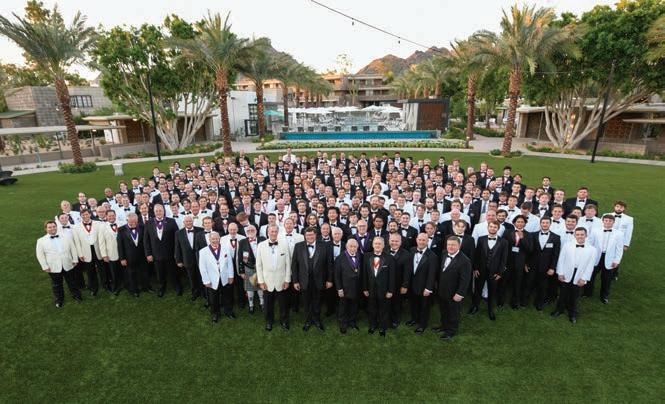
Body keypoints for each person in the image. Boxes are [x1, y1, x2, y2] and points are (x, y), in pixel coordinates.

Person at [551, 227, 597, 324]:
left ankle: (572, 313)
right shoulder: (567, 245)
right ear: (574, 235)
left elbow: (590, 266)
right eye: (578, 234)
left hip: (580, 273)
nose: (580, 236)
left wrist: (584, 278)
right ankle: (559, 309)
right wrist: (560, 273)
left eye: (582, 234)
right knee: (563, 293)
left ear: (586, 235)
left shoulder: (592, 250)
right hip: (566, 272)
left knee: (575, 295)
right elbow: (561, 259)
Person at [292, 227, 332, 331]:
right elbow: (294, 265)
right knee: (306, 302)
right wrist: (295, 281)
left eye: (311, 235)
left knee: (317, 301)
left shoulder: (324, 246)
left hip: (319, 280)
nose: (310, 237)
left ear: (315, 235)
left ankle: (317, 320)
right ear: (305, 236)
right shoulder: (298, 246)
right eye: (307, 235)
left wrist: (329, 280)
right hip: (304, 280)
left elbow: (329, 264)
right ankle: (308, 321)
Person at [432, 236, 472, 341]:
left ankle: (451, 331)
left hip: (454, 293)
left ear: (459, 246)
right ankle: (443, 326)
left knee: (453, 312)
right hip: (442, 290)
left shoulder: (465, 261)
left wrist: (460, 294)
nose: (450, 247)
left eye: (453, 245)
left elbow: (465, 280)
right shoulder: (444, 253)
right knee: (443, 310)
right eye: (449, 244)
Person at [35, 220, 81, 307]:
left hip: (68, 263)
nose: (52, 228)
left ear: (56, 227)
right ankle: (59, 300)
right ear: (46, 229)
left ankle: (76, 295)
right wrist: (45, 266)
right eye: (50, 227)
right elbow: (40, 255)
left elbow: (73, 248)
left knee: (72, 282)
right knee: (56, 285)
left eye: (54, 226)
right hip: (53, 267)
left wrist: (75, 259)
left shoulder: (66, 237)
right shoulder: (41, 241)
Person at [256, 224, 292, 331]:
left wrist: (287, 280)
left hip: (281, 281)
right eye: (271, 231)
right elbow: (258, 265)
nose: (274, 233)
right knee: (268, 304)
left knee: (283, 304)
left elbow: (288, 264)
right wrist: (261, 281)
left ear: (278, 232)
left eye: (275, 231)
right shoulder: (261, 245)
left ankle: (284, 321)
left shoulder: (284, 244)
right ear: (268, 233)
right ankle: (269, 321)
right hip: (267, 281)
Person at [470, 220, 508, 320]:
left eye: (495, 227)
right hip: (480, 270)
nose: (492, 228)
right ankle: (475, 306)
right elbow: (477, 255)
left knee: (492, 291)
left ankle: (490, 310)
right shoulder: (481, 239)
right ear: (488, 227)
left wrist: (499, 273)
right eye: (491, 226)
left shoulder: (503, 242)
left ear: (498, 229)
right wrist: (475, 268)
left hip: (494, 272)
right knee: (478, 290)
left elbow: (504, 259)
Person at [402, 233, 436, 334]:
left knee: (424, 306)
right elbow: (408, 268)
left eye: (424, 240)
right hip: (412, 285)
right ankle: (414, 319)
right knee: (414, 304)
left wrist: (428, 288)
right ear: (416, 240)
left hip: (424, 286)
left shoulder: (432, 256)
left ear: (427, 241)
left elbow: (432, 274)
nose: (421, 242)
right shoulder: (412, 250)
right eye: (420, 239)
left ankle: (422, 325)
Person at [144, 204, 181, 297]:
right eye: (156, 211)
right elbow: (146, 240)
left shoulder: (171, 221)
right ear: (154, 212)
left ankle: (176, 286)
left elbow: (176, 238)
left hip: (170, 253)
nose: (158, 212)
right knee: (159, 273)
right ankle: (161, 287)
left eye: (160, 210)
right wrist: (148, 254)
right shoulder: (149, 223)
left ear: (164, 211)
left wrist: (176, 253)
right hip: (156, 254)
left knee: (173, 272)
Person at [198, 232, 235, 323]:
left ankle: (228, 311)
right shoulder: (203, 252)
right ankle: (215, 314)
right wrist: (206, 280)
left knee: (227, 296)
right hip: (212, 279)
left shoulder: (225, 248)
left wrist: (231, 276)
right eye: (213, 239)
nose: (215, 240)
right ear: (209, 240)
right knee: (213, 298)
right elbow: (202, 268)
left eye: (217, 238)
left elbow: (230, 263)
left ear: (219, 239)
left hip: (225, 277)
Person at [526, 216, 561, 310]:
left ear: (550, 224)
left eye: (547, 223)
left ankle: (539, 302)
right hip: (532, 265)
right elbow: (528, 251)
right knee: (529, 283)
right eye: (543, 223)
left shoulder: (556, 237)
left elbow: (556, 254)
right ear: (540, 224)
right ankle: (524, 300)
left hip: (546, 266)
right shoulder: (532, 235)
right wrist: (526, 263)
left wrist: (552, 268)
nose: (545, 224)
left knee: (543, 285)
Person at [362, 237, 395, 337]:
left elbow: (392, 276)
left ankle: (382, 327)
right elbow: (364, 274)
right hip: (370, 288)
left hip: (384, 290)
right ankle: (372, 325)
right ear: (373, 245)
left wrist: (390, 290)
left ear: (383, 245)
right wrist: (365, 288)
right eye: (376, 243)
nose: (377, 245)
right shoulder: (366, 256)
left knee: (383, 309)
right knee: (371, 308)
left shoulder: (389, 258)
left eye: (379, 244)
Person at [588, 215, 624, 304]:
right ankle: (587, 292)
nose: (608, 222)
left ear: (613, 222)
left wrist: (616, 260)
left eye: (610, 221)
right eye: (606, 220)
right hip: (596, 257)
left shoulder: (619, 234)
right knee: (590, 275)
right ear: (603, 221)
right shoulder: (595, 231)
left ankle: (604, 296)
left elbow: (619, 249)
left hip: (609, 258)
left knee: (606, 279)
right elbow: (590, 244)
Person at [71, 209, 104, 296]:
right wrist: (80, 254)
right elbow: (77, 242)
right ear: (81, 216)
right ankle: (93, 287)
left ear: (90, 214)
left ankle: (105, 285)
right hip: (86, 252)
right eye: (83, 215)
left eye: (86, 214)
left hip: (98, 250)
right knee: (90, 271)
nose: (85, 216)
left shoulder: (98, 223)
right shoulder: (76, 227)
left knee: (102, 269)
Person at [117, 213, 150, 297]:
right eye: (131, 222)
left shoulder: (142, 227)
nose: (134, 223)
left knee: (144, 272)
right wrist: (122, 258)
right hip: (129, 257)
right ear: (127, 220)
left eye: (135, 222)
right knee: (131, 274)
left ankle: (146, 287)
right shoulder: (121, 229)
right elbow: (120, 245)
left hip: (142, 255)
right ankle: (134, 290)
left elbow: (146, 241)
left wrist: (148, 254)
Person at [334, 239, 362, 334]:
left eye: (355, 246)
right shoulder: (340, 258)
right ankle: (343, 323)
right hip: (344, 287)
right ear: (346, 247)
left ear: (357, 247)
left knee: (354, 306)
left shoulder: (360, 256)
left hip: (357, 287)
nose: (353, 248)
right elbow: (337, 275)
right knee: (343, 307)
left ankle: (352, 322)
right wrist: (339, 289)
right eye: (351, 246)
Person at [175, 216, 204, 301]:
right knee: (191, 277)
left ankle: (203, 292)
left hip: (200, 258)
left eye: (190, 221)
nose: (188, 223)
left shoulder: (200, 230)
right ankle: (194, 292)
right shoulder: (178, 233)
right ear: (184, 223)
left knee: (201, 276)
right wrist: (178, 260)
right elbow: (177, 247)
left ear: (192, 221)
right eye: (186, 221)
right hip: (187, 259)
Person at [237, 225, 265, 314]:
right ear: (246, 232)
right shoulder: (242, 242)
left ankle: (262, 303)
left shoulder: (262, 239)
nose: (250, 231)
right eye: (248, 230)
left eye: (252, 230)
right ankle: (251, 305)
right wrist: (241, 271)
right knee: (250, 288)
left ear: (256, 231)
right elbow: (240, 257)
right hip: (248, 268)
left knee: (261, 286)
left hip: (261, 268)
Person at [99, 210, 123, 295]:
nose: (111, 217)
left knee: (123, 270)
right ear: (106, 216)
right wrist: (104, 255)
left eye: (113, 215)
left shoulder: (121, 224)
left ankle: (125, 284)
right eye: (109, 216)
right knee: (114, 272)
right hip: (111, 254)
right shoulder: (102, 227)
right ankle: (116, 286)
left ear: (115, 216)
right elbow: (101, 242)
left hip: (123, 253)